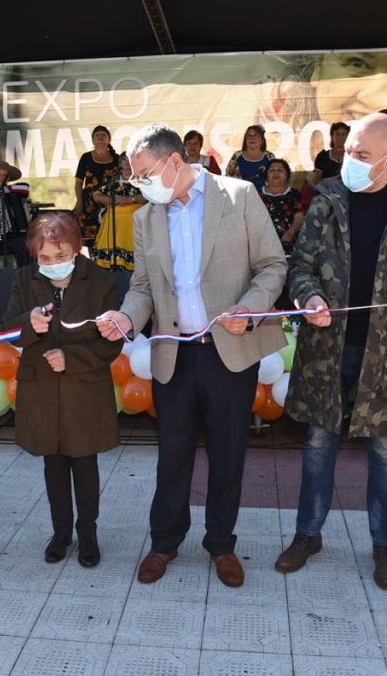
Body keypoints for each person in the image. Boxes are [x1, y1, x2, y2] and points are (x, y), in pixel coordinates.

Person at [96, 124, 287, 589]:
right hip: (174, 352)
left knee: (228, 454)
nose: (140, 183)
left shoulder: (239, 196)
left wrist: (250, 308)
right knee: (172, 455)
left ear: (174, 161)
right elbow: (143, 288)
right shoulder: (146, 218)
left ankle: (221, 544)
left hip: (230, 351)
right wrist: (126, 318)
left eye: (144, 174)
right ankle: (164, 542)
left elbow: (272, 266)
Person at [279, 114, 387, 590]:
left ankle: (384, 544)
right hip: (326, 345)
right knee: (318, 444)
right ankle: (307, 534)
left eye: (362, 155)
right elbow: (300, 266)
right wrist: (309, 296)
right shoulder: (327, 199)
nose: (350, 160)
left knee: (386, 449)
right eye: (349, 151)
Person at [1, 211, 123, 567]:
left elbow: (113, 340)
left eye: (61, 255)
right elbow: (8, 329)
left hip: (84, 389)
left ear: (76, 248)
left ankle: (88, 533)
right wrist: (29, 324)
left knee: (84, 463)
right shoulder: (24, 279)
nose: (53, 263)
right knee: (52, 464)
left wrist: (72, 358)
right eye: (44, 257)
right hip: (42, 390)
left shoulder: (100, 281)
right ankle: (61, 533)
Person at [91, 154, 143, 271]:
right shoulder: (113, 180)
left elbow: (148, 197)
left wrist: (132, 199)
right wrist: (111, 200)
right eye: (124, 162)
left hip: (133, 227)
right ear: (120, 165)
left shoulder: (141, 180)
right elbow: (96, 195)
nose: (127, 165)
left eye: (130, 162)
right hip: (113, 227)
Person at [73, 125, 119, 240]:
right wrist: (79, 202)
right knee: (90, 238)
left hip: (110, 202)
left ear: (109, 139)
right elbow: (78, 183)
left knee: (110, 237)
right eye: (97, 135)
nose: (100, 137)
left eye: (103, 134)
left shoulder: (117, 159)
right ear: (93, 140)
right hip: (89, 204)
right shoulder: (86, 157)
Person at [259, 158, 305, 253]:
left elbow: (299, 216)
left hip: (287, 240)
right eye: (272, 170)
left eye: (280, 170)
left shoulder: (293, 194)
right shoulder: (257, 194)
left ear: (287, 175)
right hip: (261, 242)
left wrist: (291, 232)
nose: (276, 173)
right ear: (266, 175)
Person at [225, 124, 274, 190]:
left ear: (262, 140)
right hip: (241, 193)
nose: (252, 138)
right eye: (249, 136)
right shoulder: (237, 156)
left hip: (265, 194)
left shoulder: (269, 156)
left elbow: (275, 178)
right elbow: (228, 178)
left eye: (255, 136)